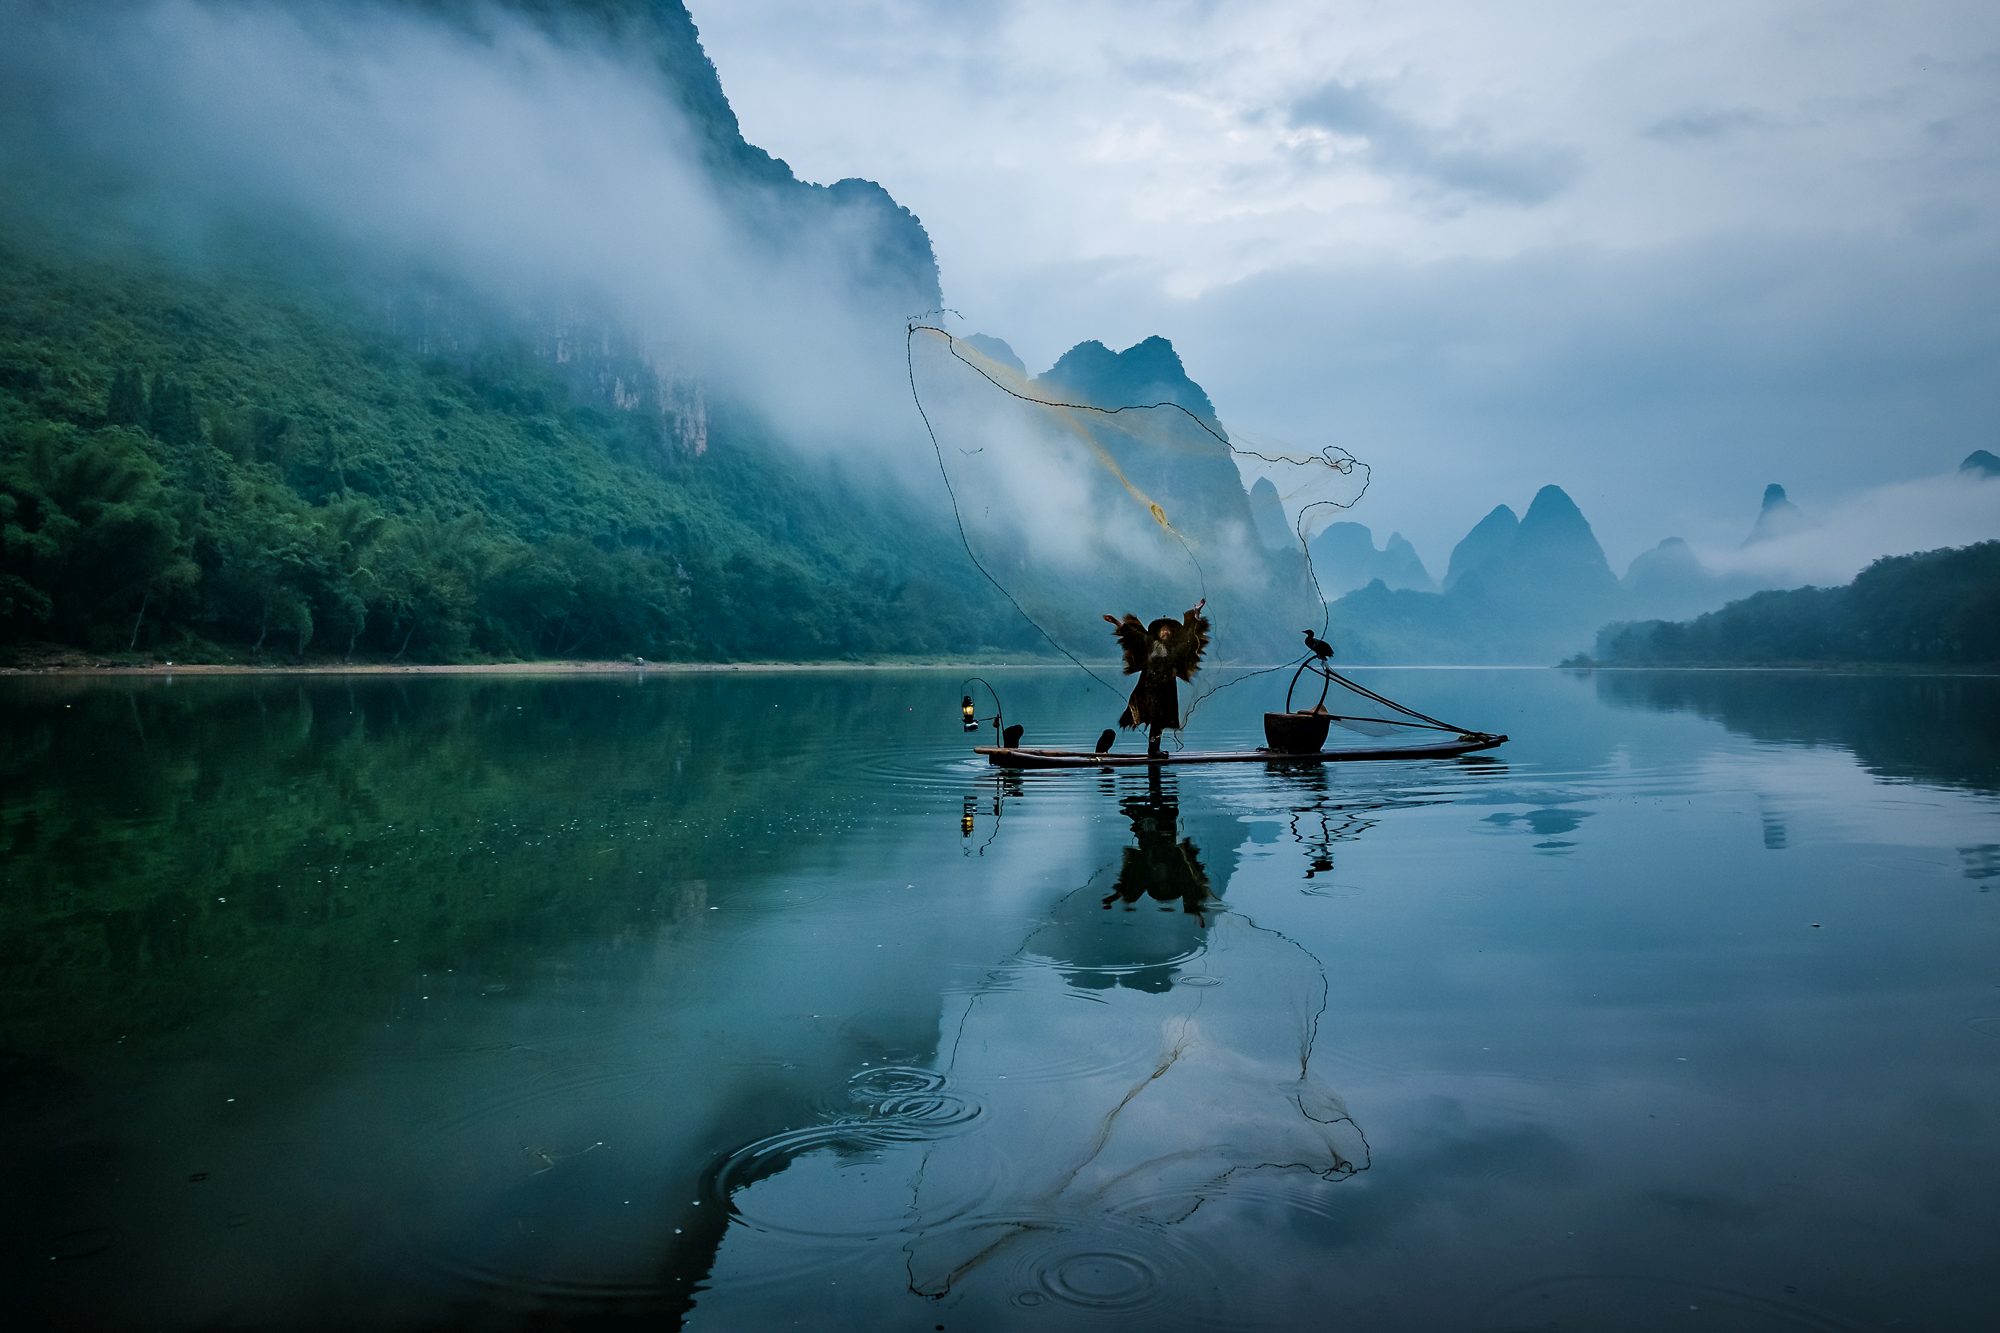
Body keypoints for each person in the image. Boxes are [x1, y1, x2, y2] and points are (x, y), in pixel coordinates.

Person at [1104, 598, 1210, 756]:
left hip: (1166, 688)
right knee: (1153, 715)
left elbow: (1190, 637)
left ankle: (1154, 749)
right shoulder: (1149, 642)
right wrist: (1116, 622)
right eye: (1163, 630)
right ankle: (1153, 750)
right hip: (1148, 686)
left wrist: (1196, 613)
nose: (1166, 632)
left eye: (1168, 630)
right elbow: (1132, 635)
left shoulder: (1176, 648)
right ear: (1158, 632)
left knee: (1160, 719)